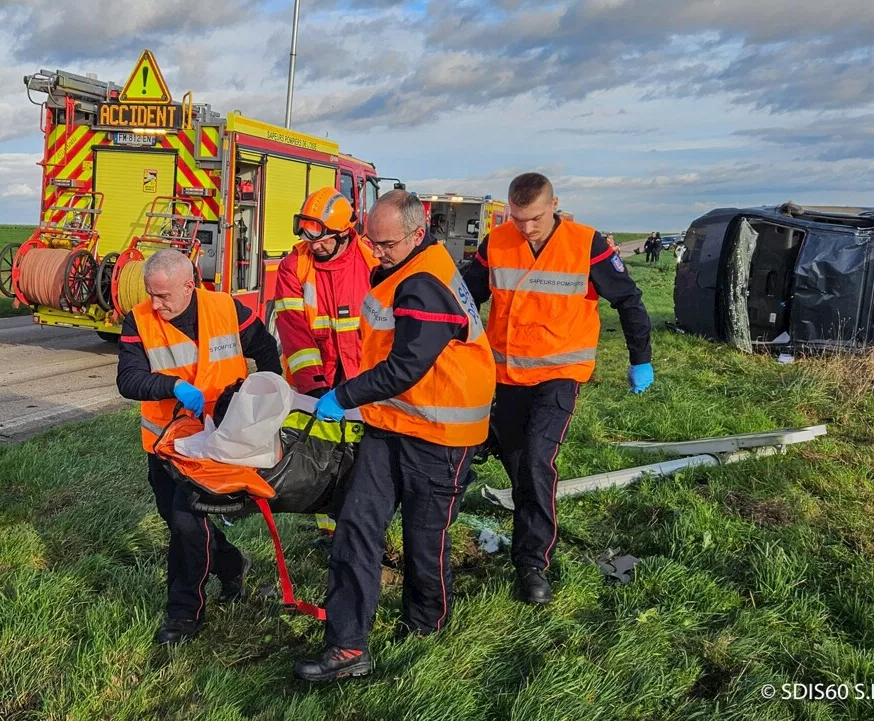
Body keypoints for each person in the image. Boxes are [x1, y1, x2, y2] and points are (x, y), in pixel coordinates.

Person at [293, 190, 495, 682]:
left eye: (385, 245)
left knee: (426, 541)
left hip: (441, 433)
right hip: (390, 425)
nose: (375, 253)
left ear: (416, 235)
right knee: (356, 528)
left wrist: (344, 396)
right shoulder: (400, 269)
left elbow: (406, 365)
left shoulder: (425, 282)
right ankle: (347, 647)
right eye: (371, 241)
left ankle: (427, 628)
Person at [461, 172, 654, 605]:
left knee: (535, 459)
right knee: (517, 463)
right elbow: (467, 297)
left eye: (533, 218)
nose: (525, 227)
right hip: (506, 376)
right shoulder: (497, 243)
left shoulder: (587, 245)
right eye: (517, 218)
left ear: (555, 206)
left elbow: (629, 301)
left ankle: (531, 563)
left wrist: (640, 358)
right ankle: (527, 516)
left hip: (560, 376)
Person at [115, 249, 283, 645]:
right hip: (168, 447)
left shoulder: (228, 309)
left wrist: (267, 400)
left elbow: (265, 351)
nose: (155, 305)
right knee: (177, 520)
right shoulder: (138, 320)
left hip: (219, 445)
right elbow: (128, 380)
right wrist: (171, 385)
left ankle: (183, 616)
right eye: (150, 294)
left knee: (187, 525)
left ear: (190, 285)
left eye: (163, 296)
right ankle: (231, 564)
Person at [273, 187, 378, 397]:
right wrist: (313, 385)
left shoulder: (372, 262)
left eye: (322, 240)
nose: (314, 247)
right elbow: (293, 329)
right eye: (309, 240)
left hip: (363, 383)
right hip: (313, 384)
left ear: (343, 233)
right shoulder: (293, 266)